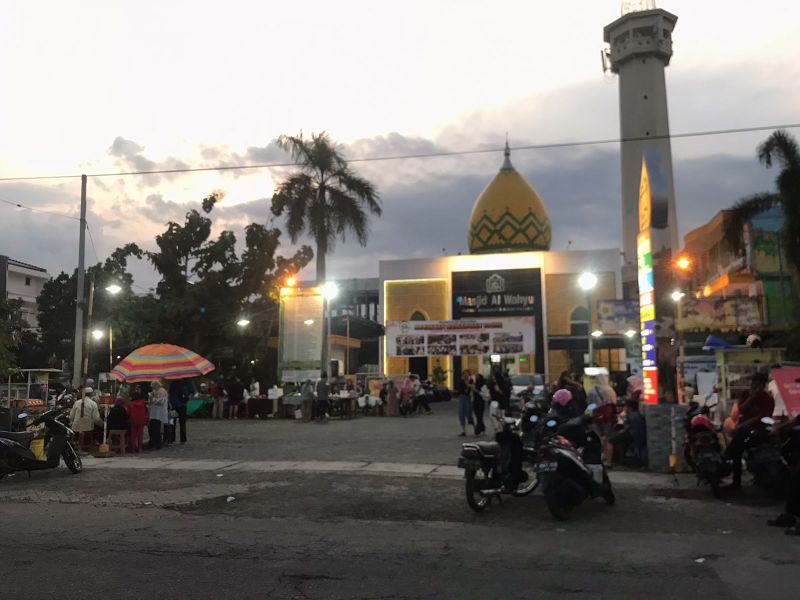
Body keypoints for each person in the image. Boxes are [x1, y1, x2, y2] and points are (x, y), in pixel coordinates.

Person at [724, 372, 775, 490]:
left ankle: (727, 454)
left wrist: (745, 424)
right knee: (738, 448)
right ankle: (736, 481)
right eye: (753, 384)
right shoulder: (746, 395)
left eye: (758, 385)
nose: (755, 387)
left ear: (763, 385)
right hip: (744, 429)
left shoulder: (767, 399)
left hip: (759, 428)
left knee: (740, 436)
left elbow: (763, 416)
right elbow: (741, 409)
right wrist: (751, 399)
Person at [607, 397, 647, 466]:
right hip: (637, 436)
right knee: (622, 443)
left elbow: (627, 428)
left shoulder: (631, 416)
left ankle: (608, 462)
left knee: (610, 440)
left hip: (631, 435)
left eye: (625, 406)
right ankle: (620, 461)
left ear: (630, 407)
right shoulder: (639, 415)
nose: (624, 408)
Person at [69, 387, 102, 451]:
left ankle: (76, 446)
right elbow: (96, 419)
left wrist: (72, 422)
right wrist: (102, 424)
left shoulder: (77, 403)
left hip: (76, 428)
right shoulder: (93, 404)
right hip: (88, 428)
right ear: (91, 394)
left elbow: (71, 416)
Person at [147, 380, 169, 450]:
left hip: (159, 413)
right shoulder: (155, 391)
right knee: (153, 428)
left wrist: (152, 398)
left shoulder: (162, 391)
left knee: (156, 429)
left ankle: (157, 444)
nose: (152, 388)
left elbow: (161, 402)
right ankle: (153, 443)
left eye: (153, 386)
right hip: (154, 413)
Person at [126, 388, 149, 453]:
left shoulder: (130, 404)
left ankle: (133, 448)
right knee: (140, 434)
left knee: (133, 434)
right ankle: (140, 448)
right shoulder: (143, 403)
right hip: (141, 420)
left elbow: (128, 413)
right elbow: (146, 411)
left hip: (133, 420)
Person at [456, 370, 473, 437]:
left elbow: (468, 390)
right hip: (462, 397)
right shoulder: (461, 381)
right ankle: (463, 431)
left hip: (467, 398)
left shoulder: (470, 380)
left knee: (469, 413)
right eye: (464, 374)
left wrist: (467, 383)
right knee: (461, 413)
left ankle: (474, 428)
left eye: (467, 374)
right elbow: (461, 389)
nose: (465, 375)